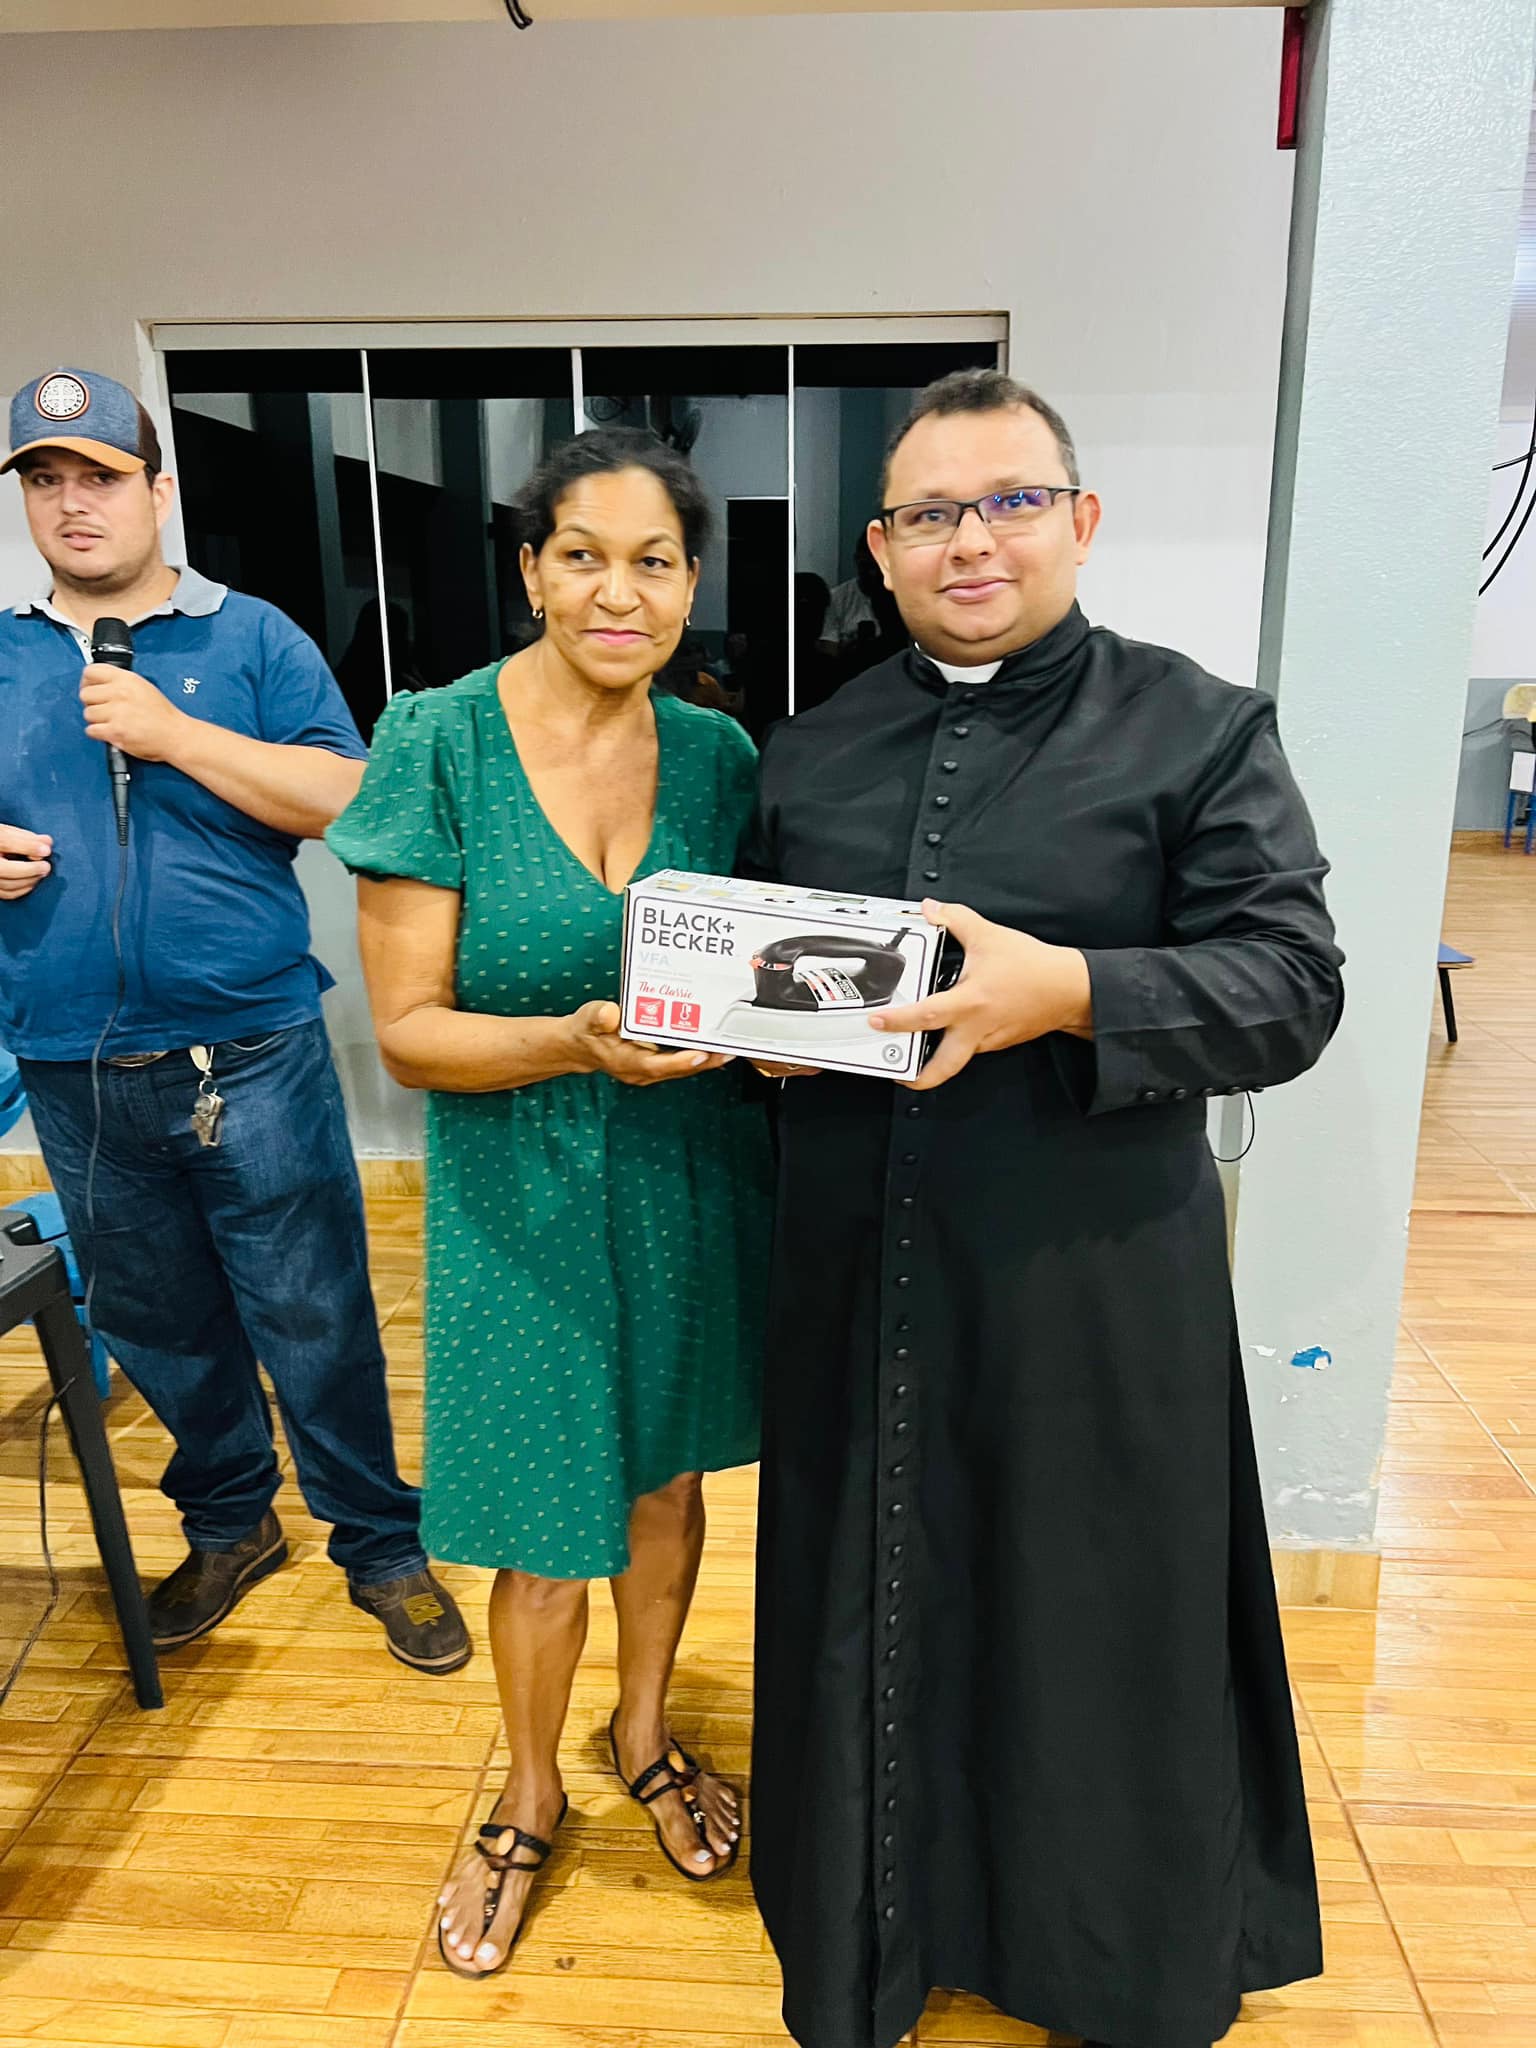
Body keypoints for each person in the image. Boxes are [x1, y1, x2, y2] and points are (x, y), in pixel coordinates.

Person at [745, 370, 1342, 2048]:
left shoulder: (1201, 727)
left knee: (1084, 1610)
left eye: (1010, 501)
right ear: (881, 549)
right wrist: (755, 1043)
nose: (972, 541)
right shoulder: (810, 748)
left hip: (1090, 1277)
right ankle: (876, 1945)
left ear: (1079, 521)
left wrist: (1070, 989)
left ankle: (1101, 1964)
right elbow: (778, 981)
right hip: (857, 1266)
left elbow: (1292, 987)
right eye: (931, 513)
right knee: (870, 1591)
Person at [326, 428, 773, 1978]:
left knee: (664, 1487)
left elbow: (751, 972)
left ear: (691, 585)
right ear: (532, 571)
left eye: (654, 561)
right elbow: (408, 1031)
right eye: (583, 555)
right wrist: (573, 1041)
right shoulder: (437, 740)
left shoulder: (718, 758)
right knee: (537, 1522)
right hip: (518, 1195)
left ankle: (643, 1735)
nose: (617, 591)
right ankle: (527, 1793)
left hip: (688, 1180)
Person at [0, 366, 468, 1674]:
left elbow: (350, 800)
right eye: (45, 480)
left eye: (99, 477)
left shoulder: (252, 638)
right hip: (72, 1060)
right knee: (156, 1323)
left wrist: (173, 734)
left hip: (250, 1052)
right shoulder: (0, 653)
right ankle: (228, 1523)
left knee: (314, 1312)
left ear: (157, 490)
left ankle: (379, 1544)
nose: (73, 503)